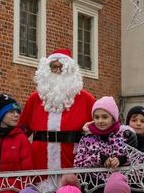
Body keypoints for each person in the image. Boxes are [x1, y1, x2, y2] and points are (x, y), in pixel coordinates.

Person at [19, 48, 95, 179]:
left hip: (72, 162)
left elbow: (103, 125)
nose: (58, 71)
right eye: (54, 68)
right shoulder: (35, 99)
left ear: (70, 71)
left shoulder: (86, 99)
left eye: (62, 68)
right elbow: (21, 131)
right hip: (39, 163)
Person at [74, 97, 133, 193]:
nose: (100, 121)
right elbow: (77, 163)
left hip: (118, 190)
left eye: (105, 117)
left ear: (113, 118)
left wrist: (122, 159)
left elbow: (137, 159)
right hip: (93, 189)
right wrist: (98, 158)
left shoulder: (124, 136)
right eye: (96, 117)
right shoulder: (87, 138)